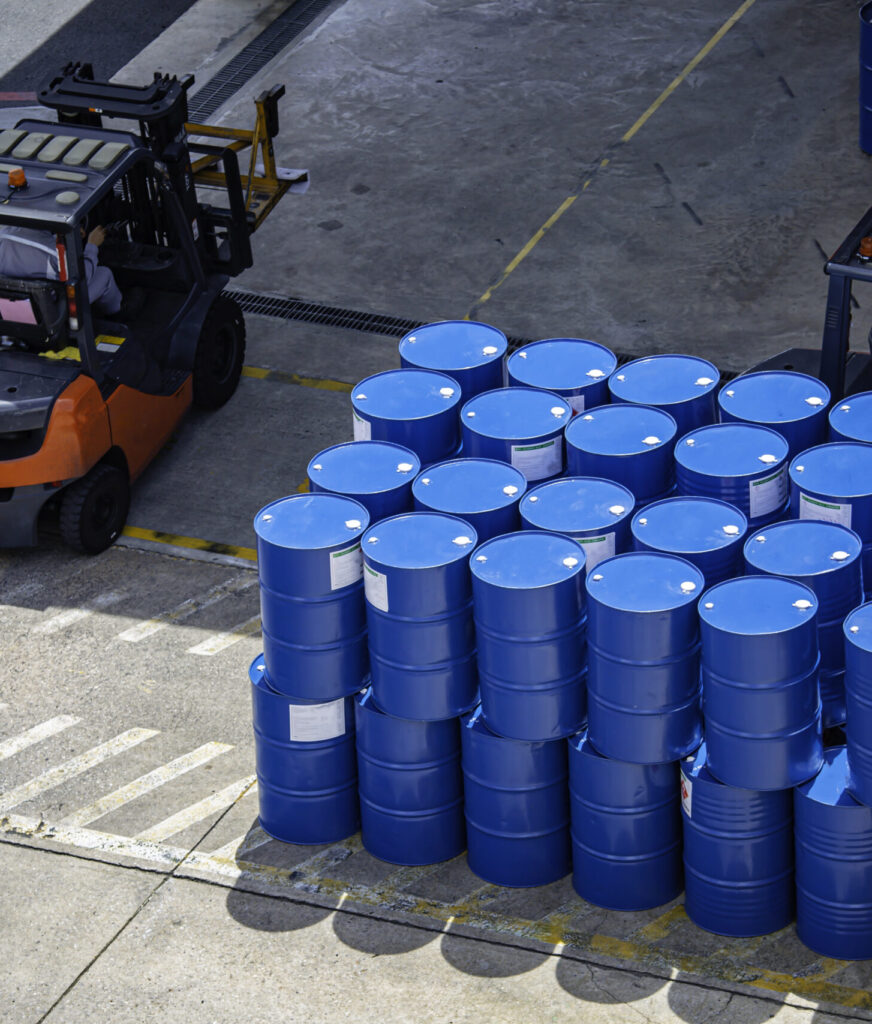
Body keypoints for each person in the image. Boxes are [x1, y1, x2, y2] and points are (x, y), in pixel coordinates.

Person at [0, 221, 122, 315]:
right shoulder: (54, 256)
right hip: (58, 311)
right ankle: (117, 314)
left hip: (17, 308)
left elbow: (32, 245)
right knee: (104, 273)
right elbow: (82, 276)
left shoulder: (4, 236)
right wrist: (92, 245)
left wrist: (68, 236)